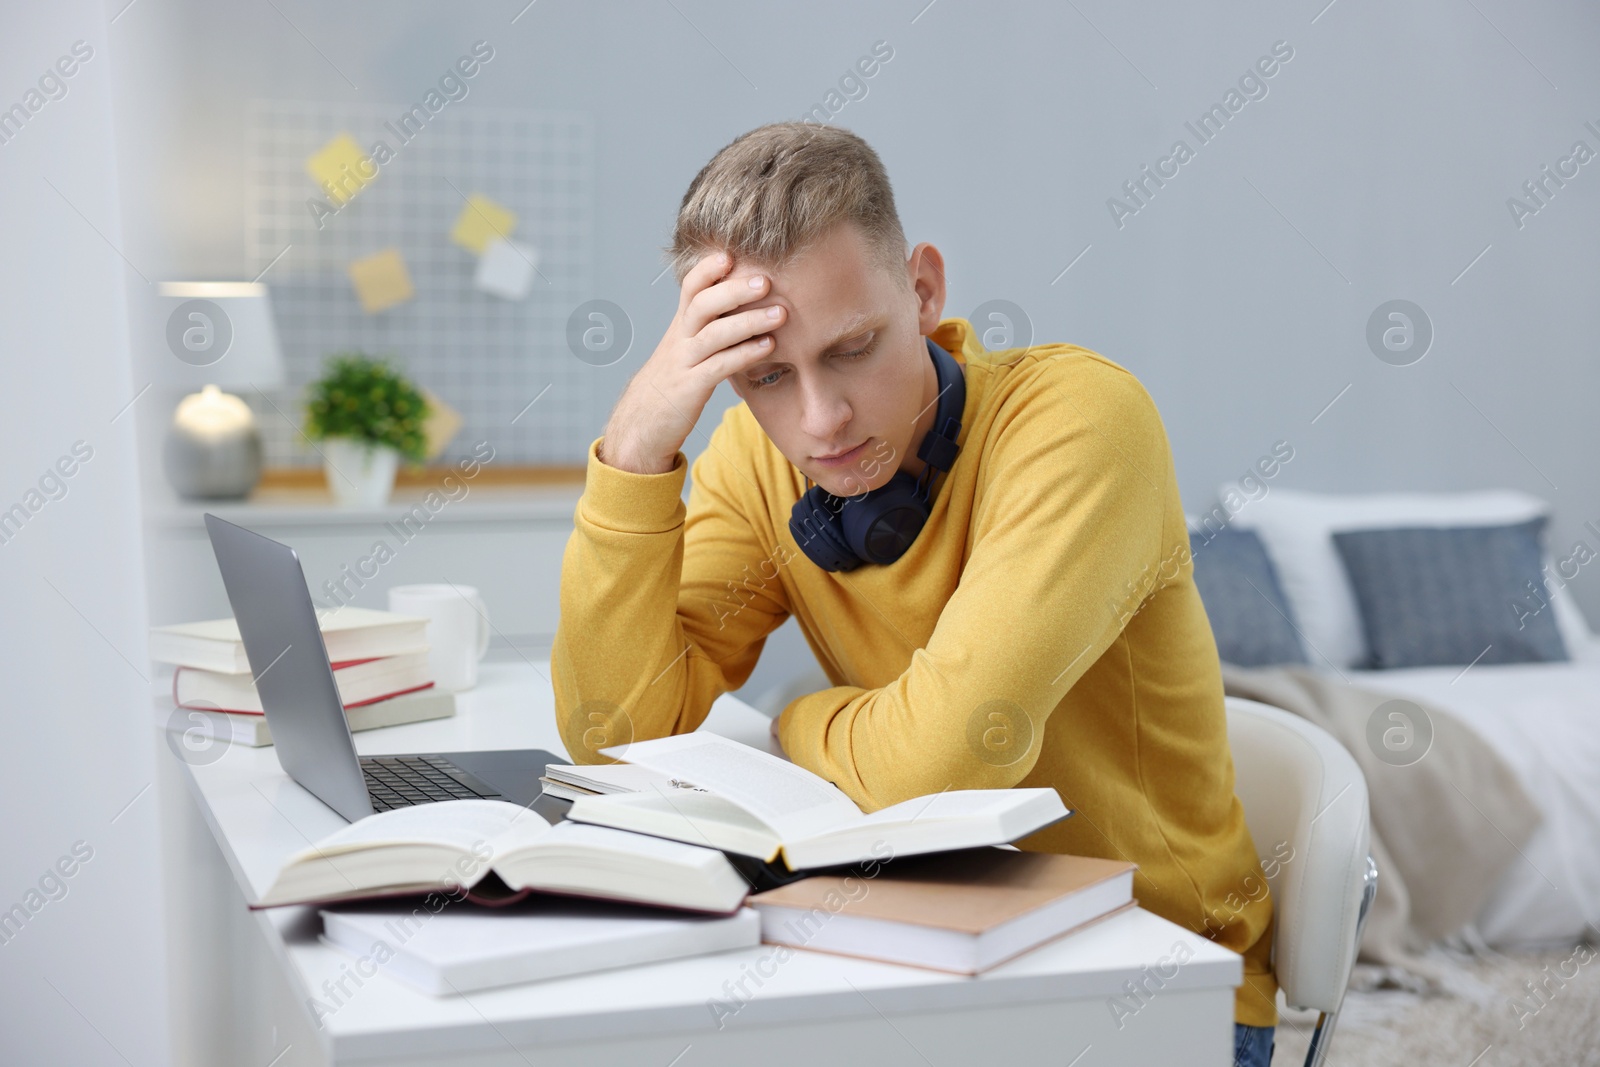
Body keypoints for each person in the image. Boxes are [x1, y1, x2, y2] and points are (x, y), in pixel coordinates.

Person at [551, 120, 1278, 1064]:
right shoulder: (755, 464)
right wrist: (636, 451)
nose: (820, 420)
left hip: (1160, 985)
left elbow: (939, 763)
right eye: (765, 376)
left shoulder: (1082, 422)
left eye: (852, 349)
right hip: (921, 943)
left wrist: (797, 719)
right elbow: (617, 737)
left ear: (925, 290)